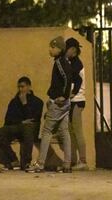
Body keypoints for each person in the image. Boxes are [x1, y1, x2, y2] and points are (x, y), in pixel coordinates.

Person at [26, 36, 73, 173]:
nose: (50, 50)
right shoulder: (64, 61)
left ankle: (40, 163)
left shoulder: (59, 62)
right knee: (64, 132)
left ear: (59, 49)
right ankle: (67, 164)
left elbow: (67, 78)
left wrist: (63, 96)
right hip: (64, 104)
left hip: (58, 103)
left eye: (52, 47)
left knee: (46, 131)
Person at [0, 77, 44, 170]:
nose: (20, 89)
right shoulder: (14, 101)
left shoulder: (38, 102)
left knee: (27, 127)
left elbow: (33, 118)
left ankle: (26, 162)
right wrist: (21, 121)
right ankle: (13, 159)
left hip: (30, 129)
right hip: (17, 127)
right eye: (19, 87)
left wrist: (24, 103)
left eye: (22, 86)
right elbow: (8, 119)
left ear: (29, 87)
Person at [65, 38, 88, 171]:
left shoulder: (76, 63)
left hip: (77, 101)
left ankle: (83, 160)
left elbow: (77, 81)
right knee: (71, 131)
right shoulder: (72, 62)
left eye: (67, 49)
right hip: (73, 100)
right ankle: (75, 160)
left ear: (73, 49)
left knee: (77, 131)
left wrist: (73, 93)